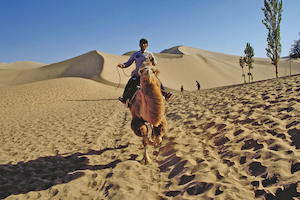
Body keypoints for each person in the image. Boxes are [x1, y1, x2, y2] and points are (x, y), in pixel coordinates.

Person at [118, 38, 172, 104]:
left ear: (147, 45)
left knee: (157, 81)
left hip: (147, 74)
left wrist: (151, 59)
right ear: (139, 45)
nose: (143, 45)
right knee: (130, 82)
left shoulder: (149, 54)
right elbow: (128, 63)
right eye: (141, 43)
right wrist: (123, 65)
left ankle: (165, 94)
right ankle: (124, 98)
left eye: (144, 43)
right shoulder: (135, 54)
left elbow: (155, 63)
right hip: (138, 74)